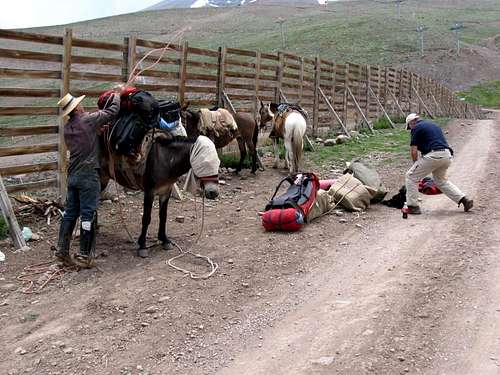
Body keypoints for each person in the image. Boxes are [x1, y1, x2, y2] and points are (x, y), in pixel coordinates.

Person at [54, 89, 121, 267]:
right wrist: (117, 95)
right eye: (79, 104)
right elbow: (112, 111)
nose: (82, 106)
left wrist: (96, 132)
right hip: (88, 175)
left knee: (70, 213)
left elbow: (82, 141)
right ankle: (84, 254)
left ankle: (62, 250)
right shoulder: (89, 120)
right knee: (88, 214)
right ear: (76, 108)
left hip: (73, 175)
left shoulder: (68, 129)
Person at [404, 113, 473, 214]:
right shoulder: (433, 125)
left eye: (409, 127)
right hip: (447, 155)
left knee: (411, 176)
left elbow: (413, 151)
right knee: (441, 181)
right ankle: (464, 199)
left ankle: (413, 207)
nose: (410, 130)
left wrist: (415, 165)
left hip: (434, 155)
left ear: (411, 123)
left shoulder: (416, 128)